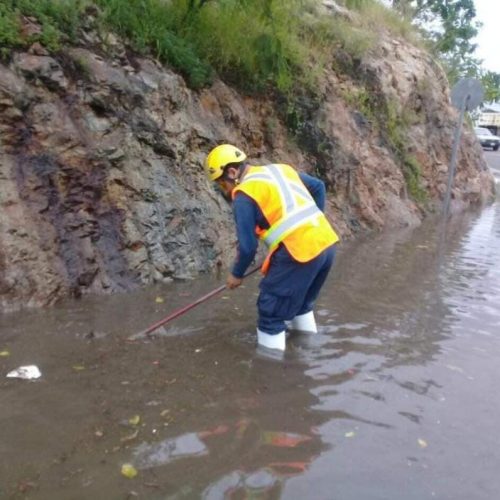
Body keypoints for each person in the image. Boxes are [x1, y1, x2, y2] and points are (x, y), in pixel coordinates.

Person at [204, 144, 339, 351]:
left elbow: (248, 247)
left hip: (299, 252)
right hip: (326, 243)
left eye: (222, 184)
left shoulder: (244, 195)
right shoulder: (280, 169)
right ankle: (307, 358)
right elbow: (318, 186)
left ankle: (269, 373)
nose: (225, 190)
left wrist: (236, 274)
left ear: (232, 172)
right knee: (301, 304)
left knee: (271, 314)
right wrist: (315, 222)